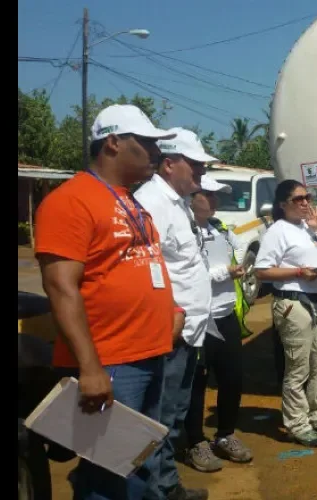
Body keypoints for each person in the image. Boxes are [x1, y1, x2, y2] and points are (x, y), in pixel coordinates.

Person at [34, 104, 182, 499]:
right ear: (114, 143)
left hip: (148, 352)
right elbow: (61, 287)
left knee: (140, 463)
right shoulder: (71, 201)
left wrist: (173, 311)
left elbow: (146, 265)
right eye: (147, 143)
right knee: (110, 475)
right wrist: (90, 368)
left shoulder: (130, 202)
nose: (156, 153)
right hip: (110, 360)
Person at [134, 128, 216, 500]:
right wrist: (174, 313)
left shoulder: (177, 202)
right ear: (169, 164)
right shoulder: (151, 203)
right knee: (157, 419)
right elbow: (147, 268)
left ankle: (167, 486)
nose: (199, 174)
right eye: (194, 165)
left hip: (189, 331)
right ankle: (156, 491)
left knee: (174, 415)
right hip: (169, 331)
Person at [254, 180, 317, 447]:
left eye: (308, 197)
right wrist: (297, 272)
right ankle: (297, 423)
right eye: (299, 199)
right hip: (293, 303)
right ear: (283, 205)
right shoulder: (278, 231)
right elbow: (262, 271)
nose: (306, 202)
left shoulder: (309, 228)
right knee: (298, 367)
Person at [183, 176, 252, 472]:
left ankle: (225, 435)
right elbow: (189, 275)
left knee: (232, 379)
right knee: (197, 383)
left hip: (225, 316)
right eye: (208, 195)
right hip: (199, 320)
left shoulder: (220, 229)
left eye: (218, 196)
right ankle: (195, 442)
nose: (214, 201)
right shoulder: (184, 232)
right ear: (192, 196)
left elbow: (247, 254)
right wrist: (226, 272)